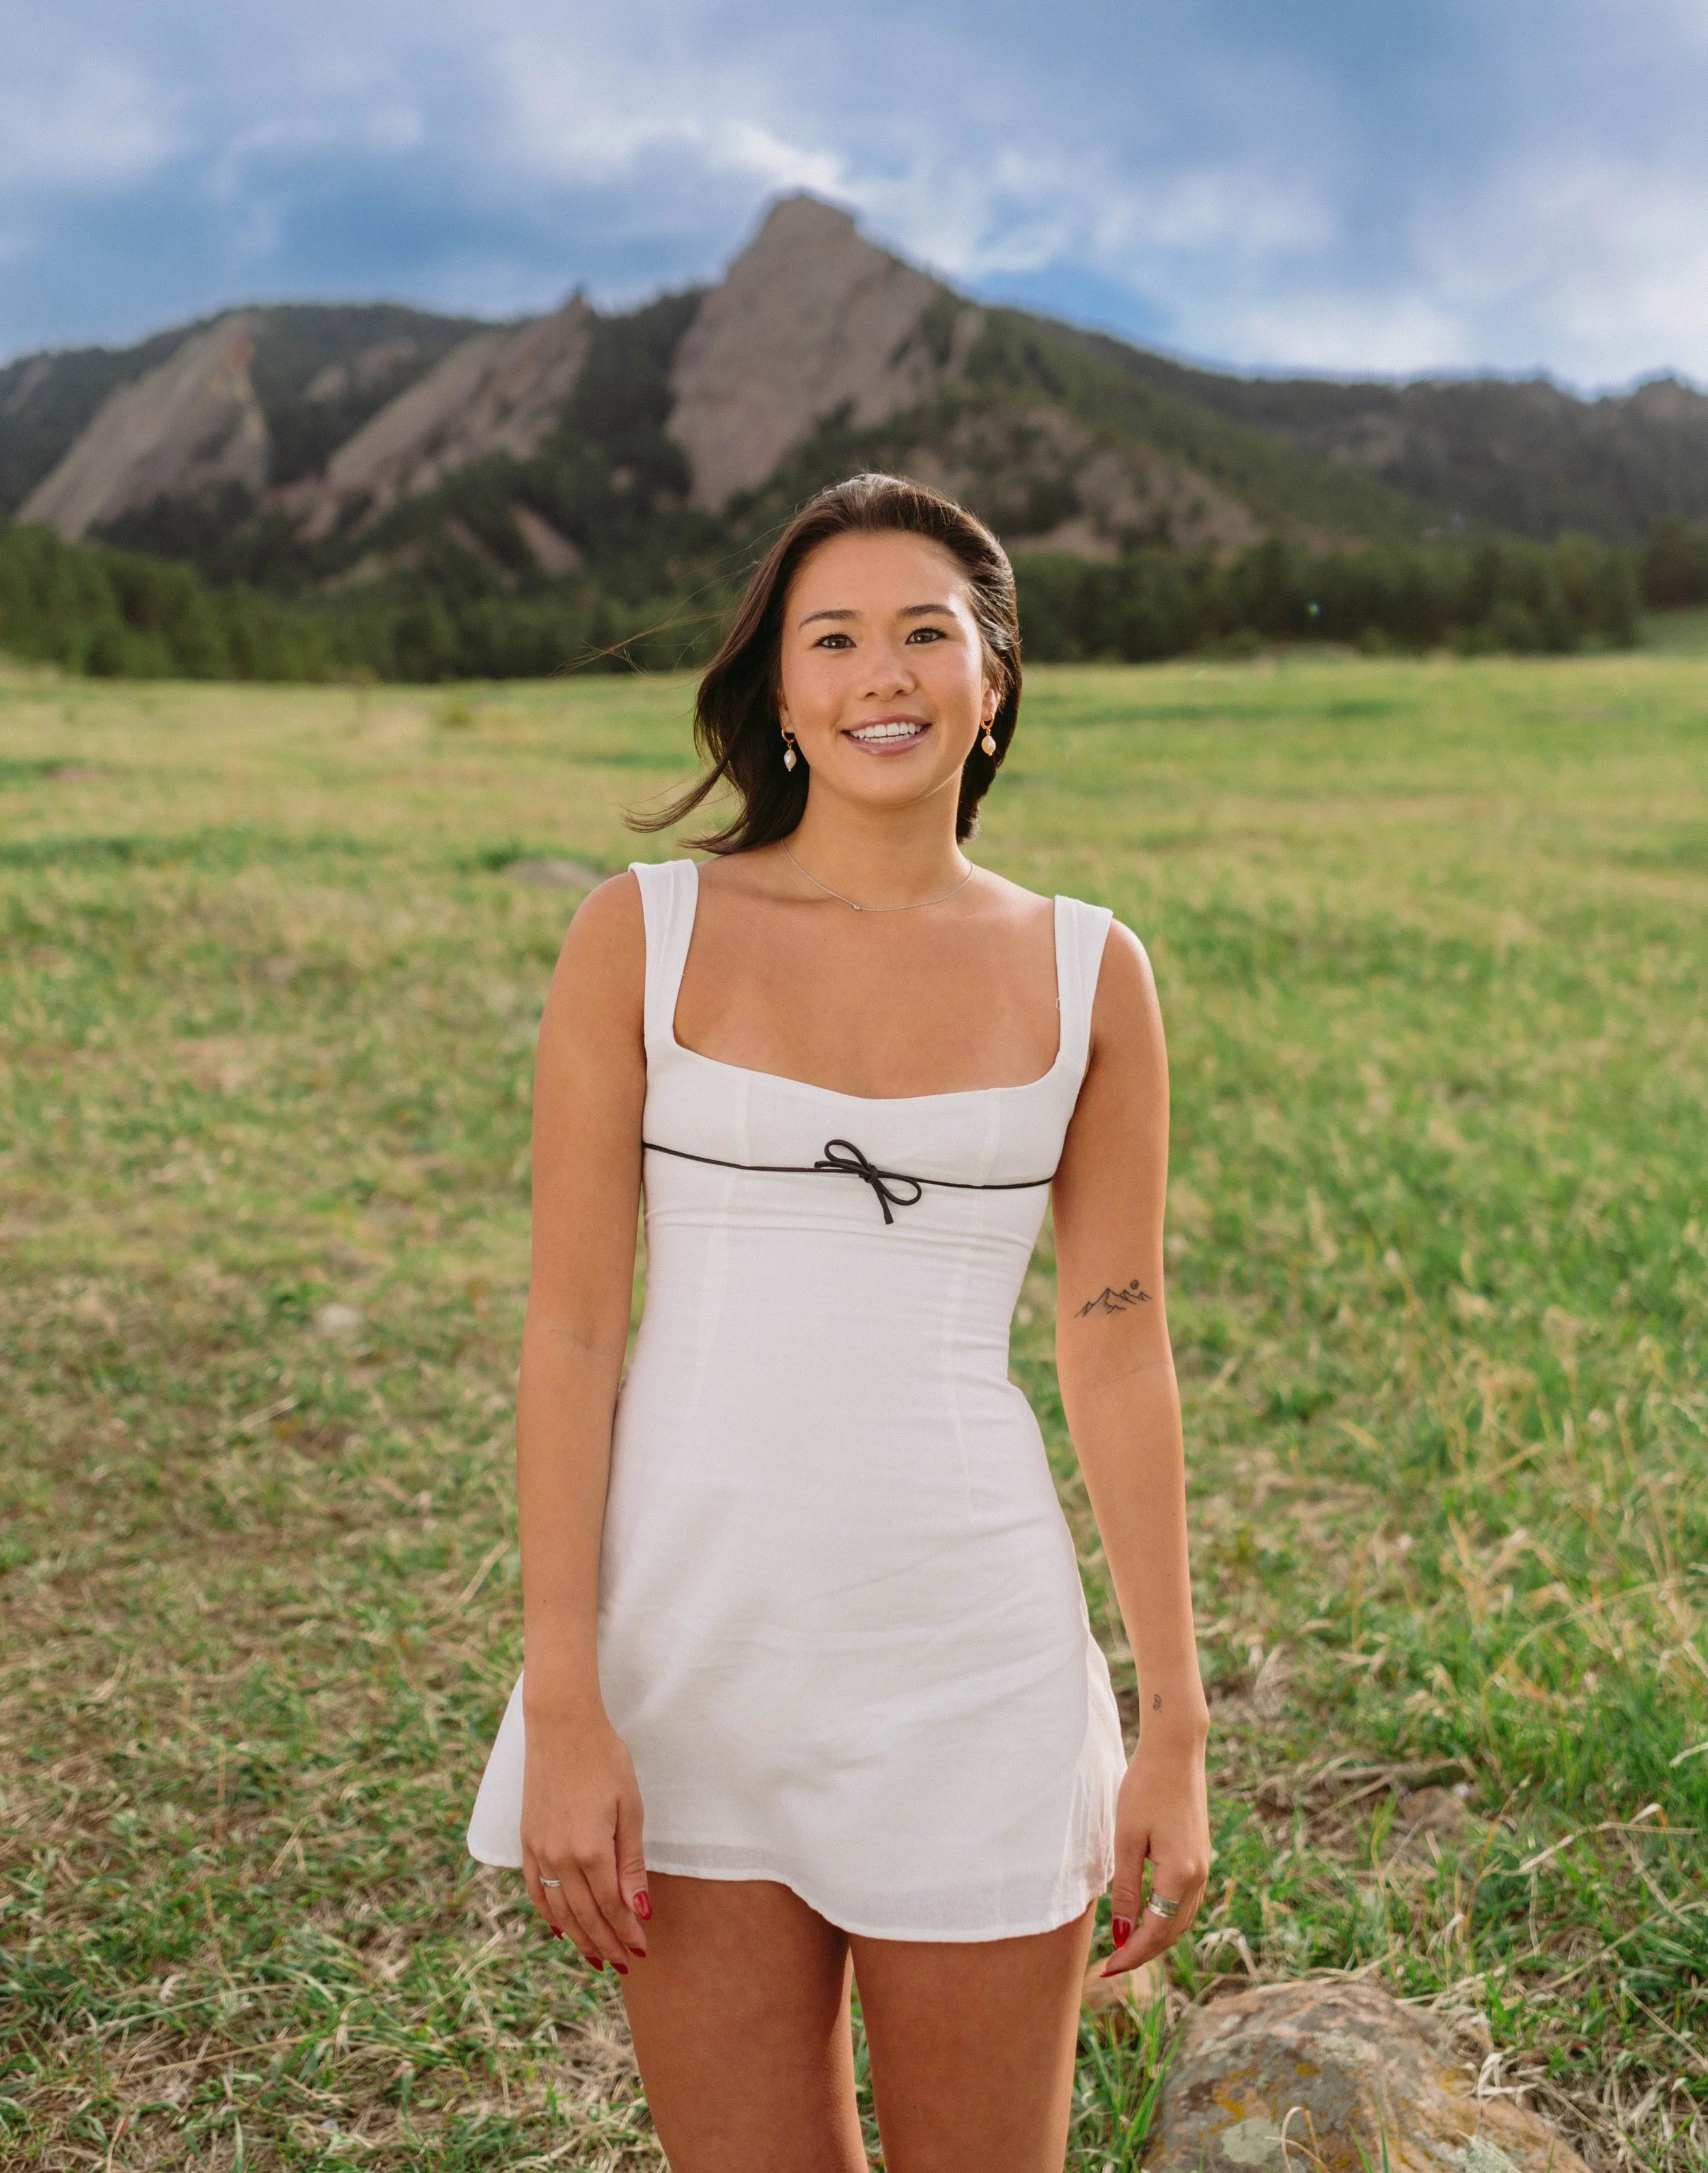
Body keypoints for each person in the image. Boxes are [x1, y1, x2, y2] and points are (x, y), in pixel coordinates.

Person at [467, 473, 1209, 2173]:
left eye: (924, 633)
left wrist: (1171, 1721)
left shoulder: (1090, 972)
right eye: (834, 638)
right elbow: (571, 1336)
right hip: (689, 1663)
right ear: (781, 692)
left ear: (991, 682)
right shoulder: (637, 936)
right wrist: (564, 1693)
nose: (882, 673)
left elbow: (1115, 1344)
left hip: (972, 1667)